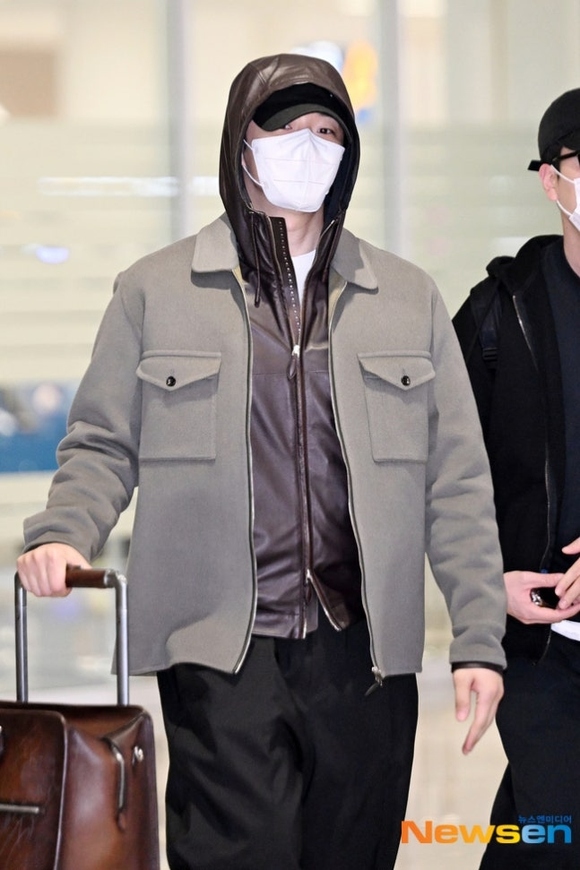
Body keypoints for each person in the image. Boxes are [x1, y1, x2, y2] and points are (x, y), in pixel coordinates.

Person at [17, 53, 506, 870]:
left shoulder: (407, 298)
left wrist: (478, 638)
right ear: (241, 145)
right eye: (286, 129)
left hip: (364, 655)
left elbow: (455, 482)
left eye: (327, 132)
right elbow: (103, 440)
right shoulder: (156, 291)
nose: (309, 147)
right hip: (220, 650)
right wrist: (65, 531)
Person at [453, 88, 580, 869]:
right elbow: (443, 471)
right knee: (558, 824)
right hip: (541, 642)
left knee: (541, 830)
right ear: (550, 179)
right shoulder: (499, 313)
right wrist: (483, 581)